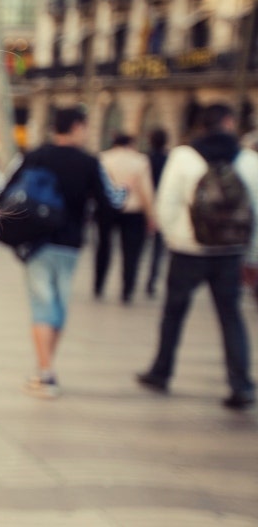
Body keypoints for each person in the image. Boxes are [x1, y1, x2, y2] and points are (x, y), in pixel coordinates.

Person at [137, 104, 257, 410]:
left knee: (173, 313)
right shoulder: (248, 160)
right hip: (230, 252)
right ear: (229, 123)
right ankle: (240, 383)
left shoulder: (183, 156)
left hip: (187, 250)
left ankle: (161, 371)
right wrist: (250, 254)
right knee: (230, 316)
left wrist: (173, 237)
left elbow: (167, 202)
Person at [6, 107, 123, 399]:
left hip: (37, 242)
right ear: (77, 127)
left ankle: (45, 373)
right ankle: (45, 368)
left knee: (42, 306)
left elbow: (3, 191)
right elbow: (110, 203)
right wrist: (125, 193)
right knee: (57, 306)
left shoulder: (34, 156)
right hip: (70, 244)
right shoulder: (89, 163)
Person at [94, 134, 156, 303]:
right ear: (131, 144)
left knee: (103, 247)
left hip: (107, 209)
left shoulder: (103, 158)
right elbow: (146, 190)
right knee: (131, 252)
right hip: (133, 211)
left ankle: (98, 284)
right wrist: (151, 215)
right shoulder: (140, 161)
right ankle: (127, 289)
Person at [145, 129, 170, 297]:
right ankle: (151, 281)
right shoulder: (169, 160)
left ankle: (130, 278)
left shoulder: (145, 159)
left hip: (145, 206)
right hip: (162, 207)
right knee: (157, 250)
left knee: (139, 246)